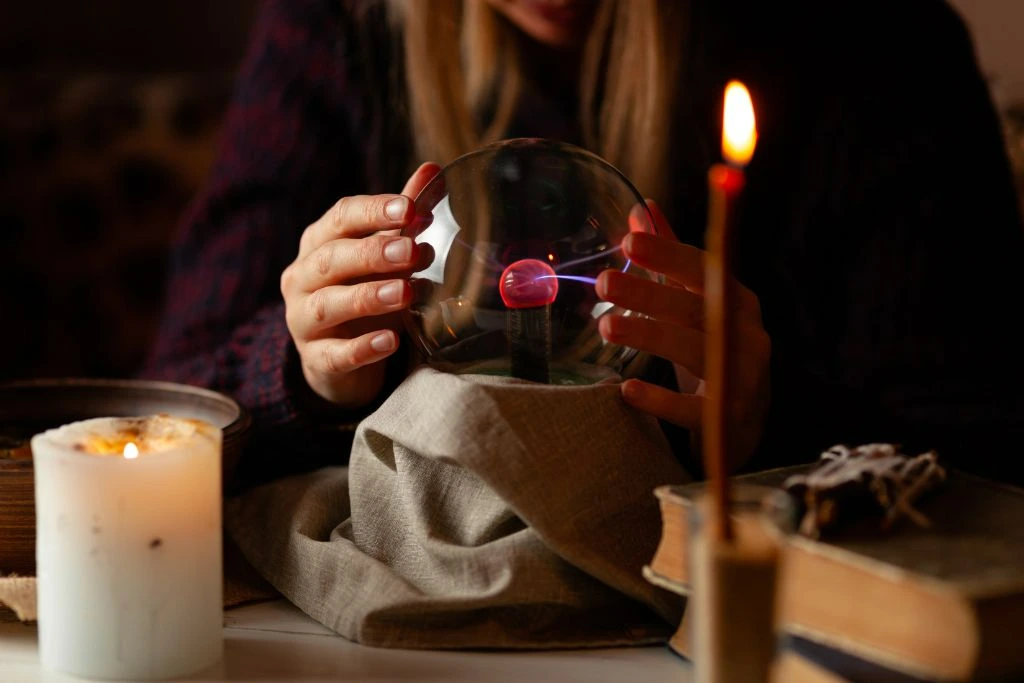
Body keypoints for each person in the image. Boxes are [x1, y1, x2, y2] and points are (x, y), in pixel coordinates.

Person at [143, 0, 1024, 487]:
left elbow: (987, 450)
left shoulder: (877, 49)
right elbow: (162, 406)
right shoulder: (336, 28)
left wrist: (775, 420)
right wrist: (305, 370)